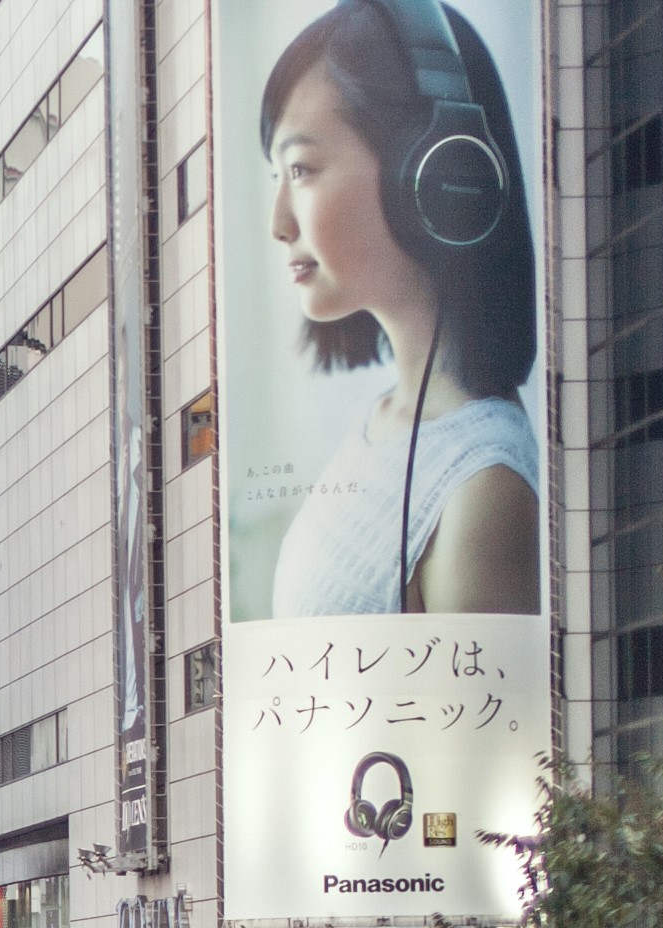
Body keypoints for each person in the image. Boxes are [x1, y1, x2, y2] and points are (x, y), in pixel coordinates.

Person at [251, 0, 544, 621]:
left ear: (437, 170)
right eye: (275, 174)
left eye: (300, 168)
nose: (278, 224)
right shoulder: (382, 421)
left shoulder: (481, 487)